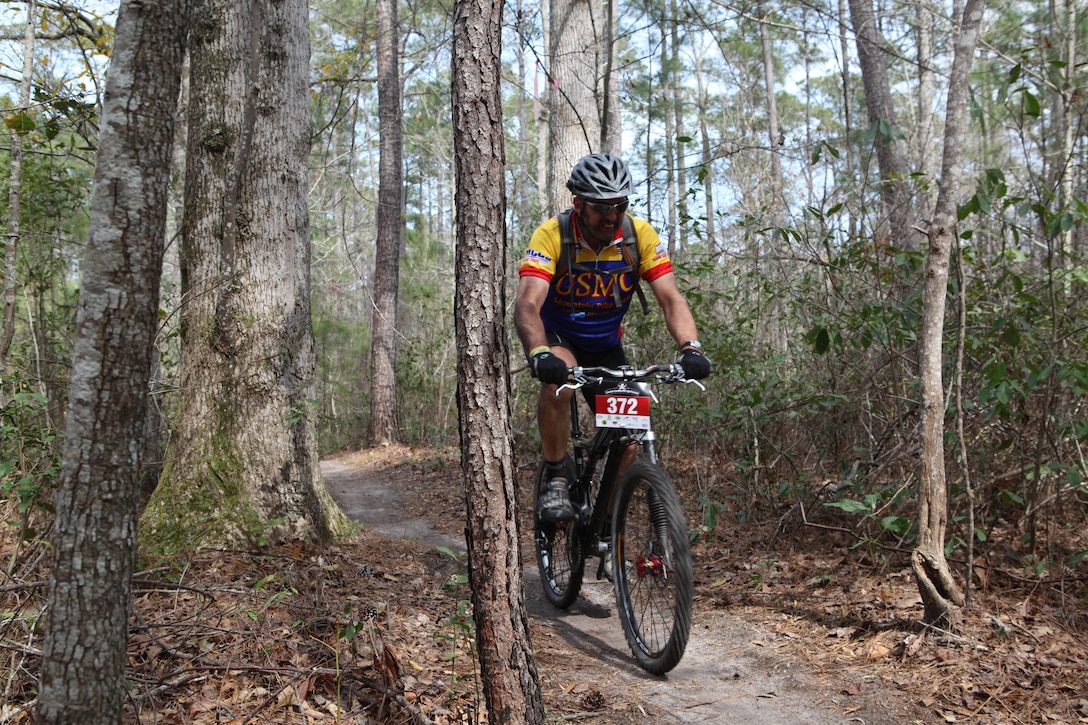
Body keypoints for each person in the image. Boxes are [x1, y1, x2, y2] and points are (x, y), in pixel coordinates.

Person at [514, 152, 711, 523]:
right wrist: (539, 353)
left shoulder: (639, 236)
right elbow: (527, 302)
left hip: (605, 344)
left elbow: (671, 298)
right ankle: (556, 476)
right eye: (601, 207)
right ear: (578, 204)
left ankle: (607, 521)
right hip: (560, 338)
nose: (611, 216)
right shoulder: (552, 235)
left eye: (620, 205)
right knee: (563, 384)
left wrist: (691, 348)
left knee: (632, 434)